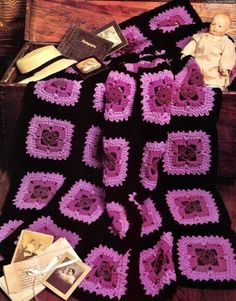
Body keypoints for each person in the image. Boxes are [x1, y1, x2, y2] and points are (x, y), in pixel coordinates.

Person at [181, 13, 236, 90]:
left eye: (219, 26)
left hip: (213, 70)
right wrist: (185, 54)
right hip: (198, 66)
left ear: (227, 30)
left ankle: (213, 87)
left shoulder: (226, 42)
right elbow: (192, 45)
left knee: (214, 81)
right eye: (213, 24)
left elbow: (228, 55)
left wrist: (225, 67)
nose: (215, 27)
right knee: (189, 76)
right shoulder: (201, 36)